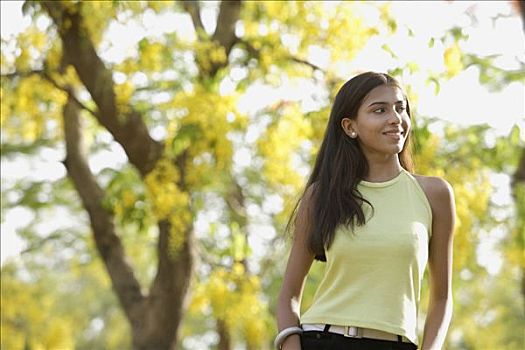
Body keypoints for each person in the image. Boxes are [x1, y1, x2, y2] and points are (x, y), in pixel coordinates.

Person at [275, 72, 455, 350]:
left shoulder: (435, 195)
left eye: (400, 107)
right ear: (350, 127)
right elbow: (288, 295)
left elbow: (441, 298)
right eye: (379, 110)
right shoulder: (321, 195)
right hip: (323, 340)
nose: (395, 118)